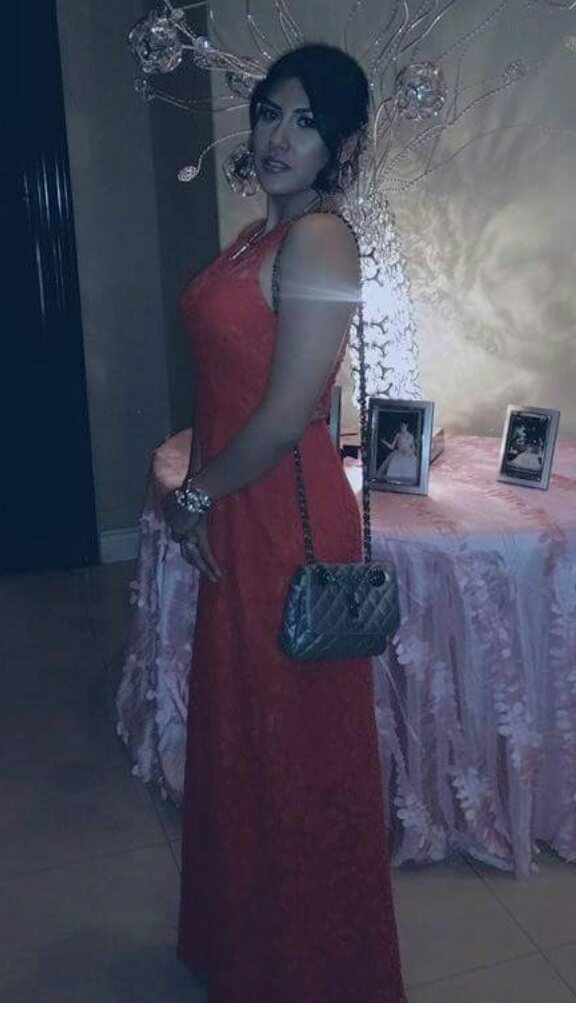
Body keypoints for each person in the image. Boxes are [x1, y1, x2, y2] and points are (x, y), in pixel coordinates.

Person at [163, 43, 405, 1002]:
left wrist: (194, 495)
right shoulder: (254, 239)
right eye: (270, 112)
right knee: (248, 744)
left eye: (307, 122)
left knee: (295, 753)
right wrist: (205, 493)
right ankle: (250, 953)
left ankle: (317, 977)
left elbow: (287, 411)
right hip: (240, 505)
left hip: (284, 523)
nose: (278, 136)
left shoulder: (321, 241)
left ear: (340, 145)